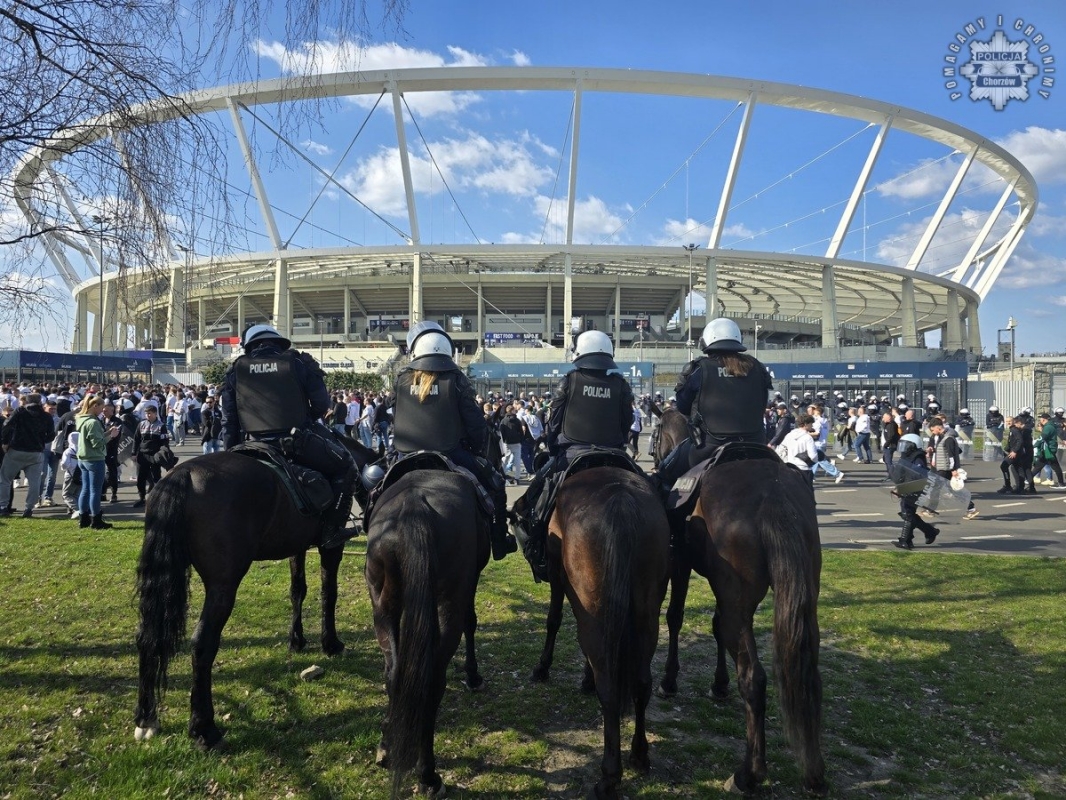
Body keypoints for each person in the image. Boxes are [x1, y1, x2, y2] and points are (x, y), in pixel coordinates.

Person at [220, 324, 358, 550]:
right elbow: (322, 404)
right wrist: (305, 419)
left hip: (252, 442)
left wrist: (230, 454)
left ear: (250, 346)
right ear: (278, 342)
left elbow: (229, 420)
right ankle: (332, 531)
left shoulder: (235, 369)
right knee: (346, 468)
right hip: (296, 441)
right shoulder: (297, 362)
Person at [387, 321, 516, 560]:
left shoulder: (402, 379)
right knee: (497, 485)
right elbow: (476, 424)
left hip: (405, 454)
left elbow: (396, 416)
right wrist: (476, 449)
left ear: (414, 351)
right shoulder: (456, 380)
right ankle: (499, 540)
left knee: (372, 484)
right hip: (452, 453)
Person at [515, 330, 635, 580]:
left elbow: (555, 419)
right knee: (654, 489)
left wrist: (550, 443)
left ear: (579, 353)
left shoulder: (569, 380)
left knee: (531, 503)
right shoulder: (621, 384)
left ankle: (537, 550)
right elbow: (627, 422)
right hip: (615, 454)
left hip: (571, 455)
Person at [656, 318, 773, 495]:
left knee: (665, 472)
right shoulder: (757, 367)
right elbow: (762, 403)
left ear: (708, 341)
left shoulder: (699, 369)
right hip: (756, 445)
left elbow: (683, 406)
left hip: (709, 446)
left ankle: (673, 522)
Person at [0, 392, 55, 518]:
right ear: (40, 401)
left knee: (5, 479)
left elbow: (7, 425)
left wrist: (5, 442)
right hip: (36, 452)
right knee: (34, 482)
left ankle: (3, 507)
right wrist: (41, 441)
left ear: (26, 401)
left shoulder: (20, 411)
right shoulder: (46, 416)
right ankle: (29, 508)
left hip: (16, 449)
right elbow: (51, 435)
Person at [75, 394, 119, 529]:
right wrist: (111, 436)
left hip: (83, 458)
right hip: (94, 458)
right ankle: (96, 519)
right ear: (95, 406)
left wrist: (106, 432)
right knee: (95, 490)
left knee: (85, 489)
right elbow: (97, 443)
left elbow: (91, 437)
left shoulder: (81, 419)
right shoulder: (93, 422)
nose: (103, 411)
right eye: (101, 407)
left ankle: (83, 517)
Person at [891, 433, 940, 550]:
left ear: (913, 446)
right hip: (906, 488)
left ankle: (905, 541)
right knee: (907, 513)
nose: (903, 447)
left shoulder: (918, 457)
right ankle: (930, 531)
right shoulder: (906, 456)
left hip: (915, 489)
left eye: (905, 445)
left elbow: (918, 475)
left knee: (907, 513)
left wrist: (905, 487)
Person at [927, 418, 978, 520]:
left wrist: (953, 470)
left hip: (946, 468)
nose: (932, 433)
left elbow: (951, 456)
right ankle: (971, 508)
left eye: (933, 430)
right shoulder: (943, 437)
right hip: (943, 467)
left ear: (938, 427)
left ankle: (930, 510)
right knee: (954, 490)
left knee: (936, 488)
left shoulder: (948, 439)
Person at [132, 404, 168, 507]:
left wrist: (163, 454)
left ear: (155, 413)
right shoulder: (141, 424)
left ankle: (157, 498)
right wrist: (134, 453)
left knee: (156, 477)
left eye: (149, 413)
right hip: (142, 454)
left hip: (155, 455)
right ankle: (142, 498)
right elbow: (136, 439)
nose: (147, 415)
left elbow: (165, 442)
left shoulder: (161, 426)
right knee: (141, 478)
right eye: (146, 413)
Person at [778, 413, 818, 493]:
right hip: (804, 469)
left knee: (791, 493)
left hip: (790, 467)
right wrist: (814, 461)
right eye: (811, 424)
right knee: (807, 494)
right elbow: (813, 456)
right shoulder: (807, 437)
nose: (812, 426)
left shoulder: (789, 435)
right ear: (806, 424)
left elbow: (780, 450)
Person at [998, 416, 1034, 495]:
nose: (1008, 422)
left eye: (1010, 421)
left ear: (1013, 421)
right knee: (1018, 468)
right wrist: (1007, 449)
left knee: (1004, 466)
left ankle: (1008, 486)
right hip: (1016, 452)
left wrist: (1014, 451)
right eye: (1006, 421)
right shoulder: (1012, 429)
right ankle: (1020, 487)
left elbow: (1019, 440)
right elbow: (1012, 441)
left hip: (1016, 453)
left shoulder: (1014, 429)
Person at [1029, 412, 1065, 489]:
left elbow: (1042, 438)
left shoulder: (1048, 427)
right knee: (1041, 466)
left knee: (1042, 466)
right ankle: (1061, 483)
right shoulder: (1050, 426)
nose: (1040, 420)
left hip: (1048, 450)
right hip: (1048, 449)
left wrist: (1034, 445)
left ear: (1044, 419)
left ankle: (1028, 479)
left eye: (1041, 418)